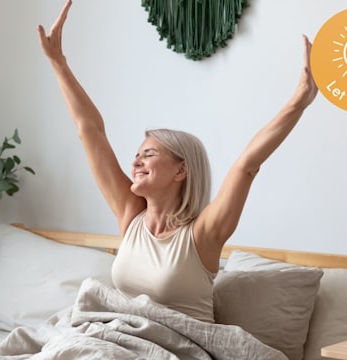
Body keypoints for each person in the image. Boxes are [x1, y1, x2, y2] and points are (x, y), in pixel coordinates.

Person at [38, 0, 318, 323]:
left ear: (181, 170)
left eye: (149, 154)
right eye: (137, 155)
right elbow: (91, 131)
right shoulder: (131, 218)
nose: (136, 162)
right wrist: (58, 64)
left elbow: (247, 165)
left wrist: (298, 102)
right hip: (120, 340)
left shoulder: (203, 235)